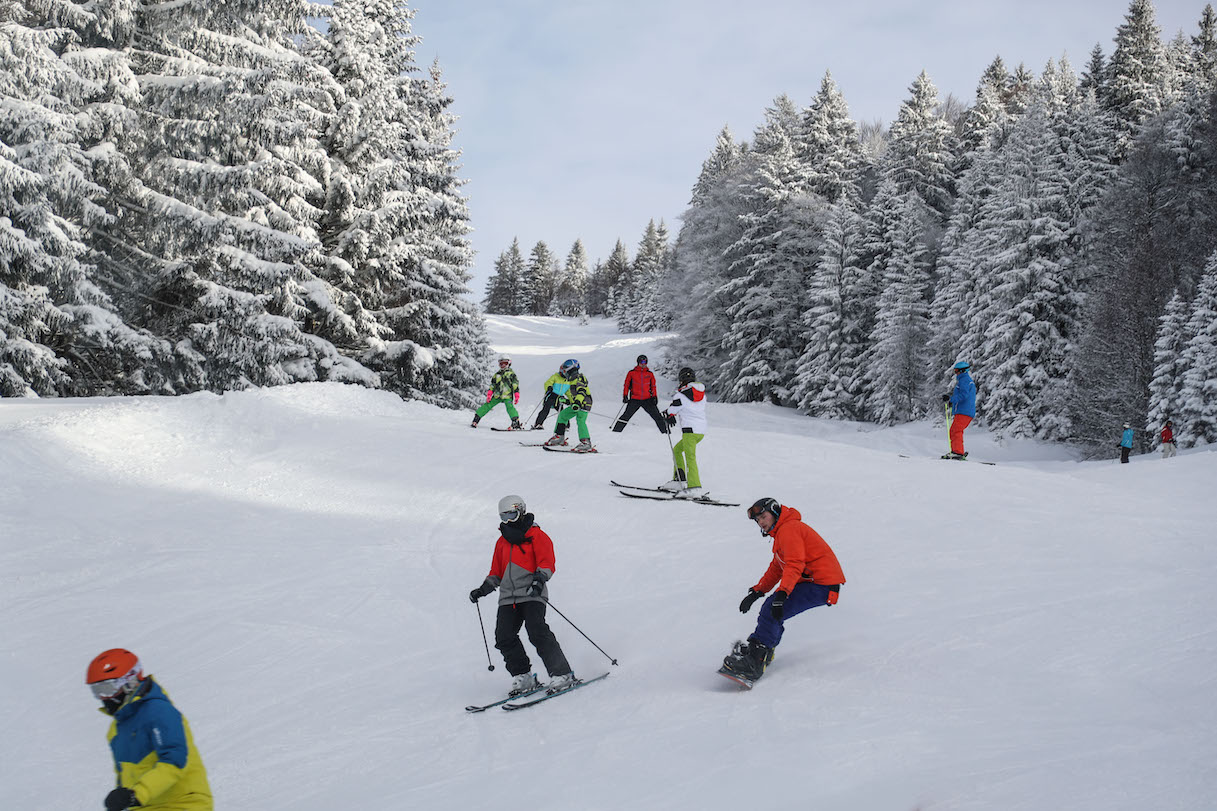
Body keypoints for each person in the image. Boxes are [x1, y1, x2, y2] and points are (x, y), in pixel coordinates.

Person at [721, 498, 845, 685]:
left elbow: (795, 564)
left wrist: (783, 593)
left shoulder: (789, 530)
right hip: (815, 582)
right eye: (758, 520)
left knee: (772, 609)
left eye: (764, 516)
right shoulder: (782, 533)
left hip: (822, 584)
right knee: (772, 609)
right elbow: (777, 567)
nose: (761, 522)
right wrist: (757, 591)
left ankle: (756, 660)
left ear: (775, 513)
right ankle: (763, 651)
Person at [469, 495, 576, 696]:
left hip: (531, 593)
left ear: (521, 511)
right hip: (508, 597)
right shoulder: (502, 542)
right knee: (504, 637)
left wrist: (539, 580)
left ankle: (562, 673)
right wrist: (483, 589)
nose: (508, 520)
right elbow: (496, 572)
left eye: (511, 515)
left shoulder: (536, 535)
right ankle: (524, 676)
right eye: (504, 516)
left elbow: (547, 562)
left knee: (537, 631)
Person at [86, 649, 213, 810]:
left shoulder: (159, 712)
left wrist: (137, 794)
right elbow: (124, 778)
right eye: (96, 691)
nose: (103, 697)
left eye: (106, 688)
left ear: (129, 681)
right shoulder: (116, 730)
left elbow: (174, 762)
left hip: (183, 804)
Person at [659, 367, 707, 498]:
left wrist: (667, 414)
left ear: (681, 380)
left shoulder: (680, 395)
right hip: (700, 431)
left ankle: (695, 487)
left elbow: (673, 409)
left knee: (690, 457)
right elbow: (689, 407)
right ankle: (678, 480)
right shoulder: (701, 394)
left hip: (689, 431)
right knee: (677, 450)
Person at [543, 359, 595, 452]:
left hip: (584, 404)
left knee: (580, 420)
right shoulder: (571, 381)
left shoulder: (580, 378)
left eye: (565, 372)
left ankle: (586, 442)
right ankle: (560, 436)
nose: (564, 374)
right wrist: (567, 401)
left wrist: (578, 402)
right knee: (563, 415)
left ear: (570, 370)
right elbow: (573, 397)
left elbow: (581, 391)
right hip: (576, 404)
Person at [611, 354, 669, 433]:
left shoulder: (649, 374)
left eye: (645, 362)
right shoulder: (631, 373)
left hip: (647, 399)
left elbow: (653, 386)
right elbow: (626, 385)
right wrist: (625, 395)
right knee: (626, 416)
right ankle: (616, 432)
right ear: (638, 362)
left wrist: (655, 397)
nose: (643, 364)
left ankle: (665, 432)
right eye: (641, 362)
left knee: (657, 416)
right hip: (635, 399)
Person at [471, 357, 522, 430]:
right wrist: (489, 394)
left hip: (507, 395)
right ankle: (476, 419)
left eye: (505, 363)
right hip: (497, 395)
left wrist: (516, 395)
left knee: (509, 407)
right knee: (488, 405)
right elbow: (493, 385)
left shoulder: (511, 374)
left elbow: (515, 385)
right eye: (501, 364)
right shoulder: (497, 375)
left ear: (509, 364)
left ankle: (515, 422)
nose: (503, 365)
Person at [941, 360, 977, 460]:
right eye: (955, 371)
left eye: (956, 371)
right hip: (964, 411)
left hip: (964, 411)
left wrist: (951, 399)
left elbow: (964, 395)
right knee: (955, 430)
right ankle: (957, 451)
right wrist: (952, 401)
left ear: (962, 371)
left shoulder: (964, 380)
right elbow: (963, 395)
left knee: (955, 430)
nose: (955, 373)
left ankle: (957, 452)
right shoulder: (965, 380)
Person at [533, 365, 566, 430]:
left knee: (563, 412)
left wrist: (572, 399)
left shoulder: (567, 380)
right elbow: (548, 383)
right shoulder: (555, 376)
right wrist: (549, 387)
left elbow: (568, 391)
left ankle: (565, 425)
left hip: (559, 398)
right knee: (545, 410)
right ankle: (538, 424)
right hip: (551, 395)